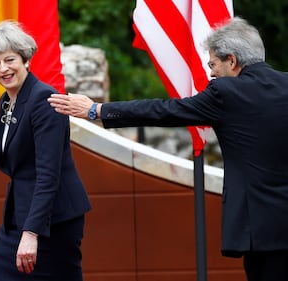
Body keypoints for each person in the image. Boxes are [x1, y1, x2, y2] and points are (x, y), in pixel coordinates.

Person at [48, 17, 288, 281]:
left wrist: (96, 110)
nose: (210, 73)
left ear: (231, 60)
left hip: (260, 230)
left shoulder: (226, 91)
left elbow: (163, 111)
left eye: (212, 64)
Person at [0, 20, 91, 281]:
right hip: (19, 217)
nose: (3, 69)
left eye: (9, 60)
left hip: (53, 222)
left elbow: (48, 174)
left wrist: (31, 233)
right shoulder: (7, 102)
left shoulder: (44, 100)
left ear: (25, 59)